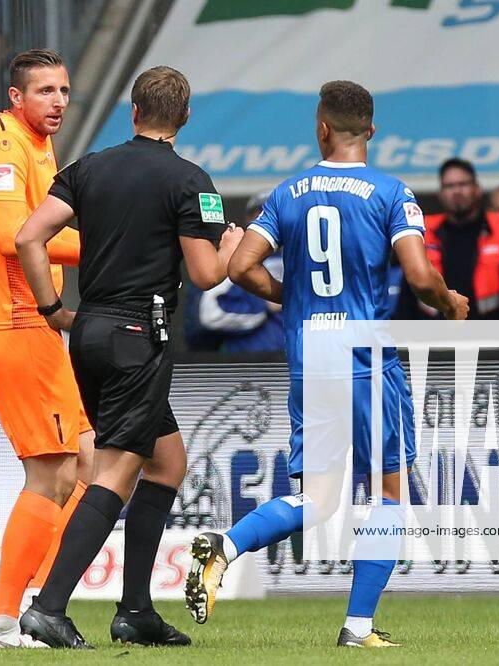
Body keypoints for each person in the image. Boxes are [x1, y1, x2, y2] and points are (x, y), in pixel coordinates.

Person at [185, 80, 468, 649]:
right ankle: (358, 627)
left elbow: (241, 267)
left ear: (321, 129)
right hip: (367, 357)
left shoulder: (289, 193)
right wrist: (451, 302)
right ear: (372, 130)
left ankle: (227, 546)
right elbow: (417, 276)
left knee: (318, 495)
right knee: (389, 491)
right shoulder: (392, 193)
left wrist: (292, 298)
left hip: (311, 354)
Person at [14, 65, 243, 649]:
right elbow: (205, 273)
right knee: (116, 471)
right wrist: (233, 246)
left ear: (133, 112)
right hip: (139, 337)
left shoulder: (88, 167)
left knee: (166, 462)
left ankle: (136, 610)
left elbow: (27, 238)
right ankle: (48, 607)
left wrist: (52, 310)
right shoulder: (193, 182)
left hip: (88, 331)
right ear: (184, 117)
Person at [0, 48, 94, 649]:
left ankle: (39, 608)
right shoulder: (2, 145)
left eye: (64, 91)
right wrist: (104, 243)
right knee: (52, 471)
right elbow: (9, 235)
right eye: (45, 91)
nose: (58, 102)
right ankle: (4, 618)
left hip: (38, 327)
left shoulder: (39, 146)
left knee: (89, 464)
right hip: (13, 320)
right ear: (16, 97)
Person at [395, 158, 499, 319]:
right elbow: (409, 291)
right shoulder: (422, 231)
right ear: (440, 193)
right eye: (449, 186)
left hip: (491, 330)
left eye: (463, 184)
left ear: (477, 189)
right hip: (435, 333)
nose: (457, 191)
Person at [185, 189, 286, 353]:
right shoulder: (232, 260)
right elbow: (208, 315)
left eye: (276, 214)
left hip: (298, 363)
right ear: (249, 220)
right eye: (261, 214)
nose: (268, 221)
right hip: (244, 365)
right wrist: (263, 305)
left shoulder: (305, 258)